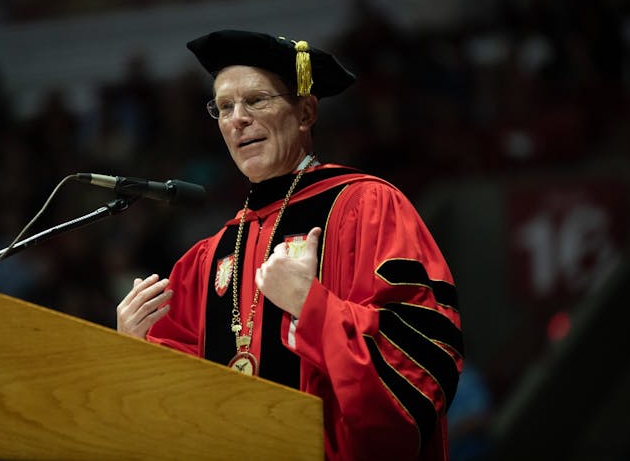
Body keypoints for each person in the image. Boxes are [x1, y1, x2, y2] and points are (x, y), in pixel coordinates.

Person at [116, 29, 463, 460]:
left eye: (256, 100)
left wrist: (311, 305)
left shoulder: (365, 207)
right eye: (224, 107)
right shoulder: (206, 259)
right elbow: (181, 410)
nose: (237, 119)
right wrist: (135, 349)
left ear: (305, 112)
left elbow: (419, 358)